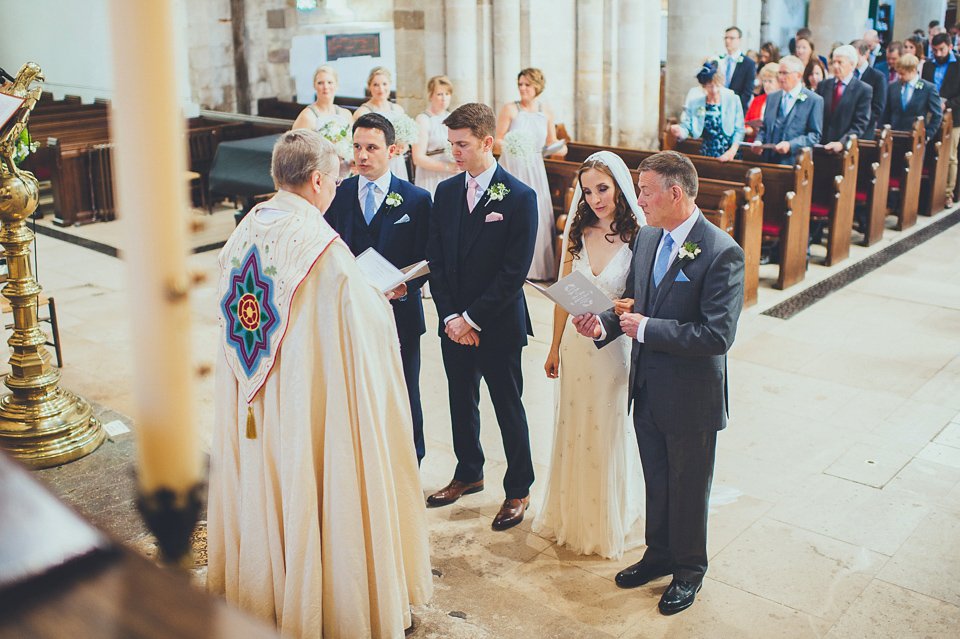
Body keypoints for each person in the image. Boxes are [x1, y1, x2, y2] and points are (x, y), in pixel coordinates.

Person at [207, 129, 433, 639]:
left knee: (272, 482)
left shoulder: (246, 226)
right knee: (314, 482)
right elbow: (359, 320)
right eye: (334, 178)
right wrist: (379, 294)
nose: (336, 188)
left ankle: (267, 588)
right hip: (306, 394)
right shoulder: (319, 244)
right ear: (315, 181)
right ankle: (324, 605)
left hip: (257, 398)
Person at [573, 151, 744, 615]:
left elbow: (717, 335)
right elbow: (636, 302)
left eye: (645, 190)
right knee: (658, 480)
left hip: (691, 395)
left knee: (690, 486)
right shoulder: (648, 238)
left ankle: (689, 571)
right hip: (646, 385)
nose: (639, 199)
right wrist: (603, 325)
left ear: (675, 192)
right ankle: (659, 554)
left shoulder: (721, 250)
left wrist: (647, 328)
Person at [425, 102, 538, 531]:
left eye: (462, 144)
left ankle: (518, 488)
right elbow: (437, 257)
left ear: (488, 142)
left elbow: (514, 273)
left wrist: (471, 319)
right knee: (460, 400)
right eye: (451, 143)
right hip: (454, 323)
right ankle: (468, 471)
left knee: (508, 406)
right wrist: (452, 316)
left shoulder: (519, 197)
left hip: (497, 324)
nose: (454, 152)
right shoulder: (447, 192)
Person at [534, 151, 646, 560]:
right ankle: (572, 512)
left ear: (619, 186)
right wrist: (553, 347)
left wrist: (621, 307)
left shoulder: (639, 235)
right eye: (588, 190)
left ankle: (607, 517)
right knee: (574, 422)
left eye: (603, 188)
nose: (596, 198)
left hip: (614, 347)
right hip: (575, 348)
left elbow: (641, 297)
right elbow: (564, 291)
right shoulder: (579, 228)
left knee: (607, 424)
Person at [324, 113, 432, 463]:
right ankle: (366, 462)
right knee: (358, 389)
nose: (362, 156)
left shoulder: (416, 200)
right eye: (357, 147)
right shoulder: (337, 198)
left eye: (371, 147)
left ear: (393, 150)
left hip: (400, 313)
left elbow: (429, 259)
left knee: (404, 390)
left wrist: (405, 287)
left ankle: (410, 461)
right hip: (352, 313)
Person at [495, 68, 567, 281]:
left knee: (536, 213)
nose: (523, 88)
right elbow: (497, 140)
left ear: (537, 86)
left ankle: (536, 270)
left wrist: (559, 147)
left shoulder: (547, 110)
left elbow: (550, 140)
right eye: (520, 84)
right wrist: (512, 145)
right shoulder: (510, 108)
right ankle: (506, 267)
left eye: (527, 84)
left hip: (535, 166)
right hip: (512, 165)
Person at [752, 55, 824, 165]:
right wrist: (758, 141)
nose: (781, 77)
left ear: (799, 75)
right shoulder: (772, 97)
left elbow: (814, 136)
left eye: (785, 73)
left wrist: (790, 145)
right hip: (769, 160)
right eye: (779, 73)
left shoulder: (813, 100)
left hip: (794, 161)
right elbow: (765, 128)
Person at [669, 63, 745, 161]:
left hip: (730, 152)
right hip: (707, 152)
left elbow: (739, 129)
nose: (714, 90)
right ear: (704, 86)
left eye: (717, 85)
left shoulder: (733, 100)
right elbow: (687, 127)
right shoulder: (695, 103)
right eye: (710, 86)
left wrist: (732, 151)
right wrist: (679, 131)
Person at [354, 67, 409, 181]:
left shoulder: (398, 110)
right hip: (375, 162)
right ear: (369, 87)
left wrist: (403, 146)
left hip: (397, 162)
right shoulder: (363, 112)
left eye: (384, 84)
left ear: (390, 84)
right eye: (376, 85)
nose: (381, 89)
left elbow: (406, 138)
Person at [923, 33, 960, 204]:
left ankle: (947, 193)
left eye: (942, 50)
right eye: (934, 50)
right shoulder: (928, 65)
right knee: (930, 151)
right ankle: (929, 189)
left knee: (950, 155)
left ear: (950, 47)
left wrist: (947, 105)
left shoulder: (958, 65)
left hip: (954, 116)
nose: (938, 54)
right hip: (931, 115)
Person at [817, 45, 873, 152]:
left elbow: (860, 123)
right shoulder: (823, 86)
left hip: (845, 148)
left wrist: (842, 143)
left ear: (852, 64)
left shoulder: (863, 90)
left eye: (840, 62)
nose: (836, 66)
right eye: (834, 62)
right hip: (821, 145)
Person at [413, 75, 459, 197]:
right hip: (430, 176)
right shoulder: (423, 119)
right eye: (439, 94)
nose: (444, 99)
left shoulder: (453, 118)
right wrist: (448, 167)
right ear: (430, 95)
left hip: (451, 175)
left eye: (447, 94)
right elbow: (417, 158)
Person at [882, 53, 943, 143]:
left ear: (913, 71)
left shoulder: (928, 88)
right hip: (893, 136)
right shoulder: (892, 87)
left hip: (916, 138)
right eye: (898, 73)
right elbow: (886, 112)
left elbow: (937, 114)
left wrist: (927, 135)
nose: (899, 77)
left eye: (903, 74)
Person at [291, 65, 352, 132]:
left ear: (336, 85)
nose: (325, 87)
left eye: (330, 82)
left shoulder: (346, 114)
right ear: (314, 86)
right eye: (320, 83)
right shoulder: (307, 116)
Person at [853, 40, 888, 138]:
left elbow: (878, 108)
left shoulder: (877, 77)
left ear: (866, 54)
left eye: (856, 56)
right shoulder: (849, 75)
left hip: (865, 129)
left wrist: (861, 120)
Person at [720, 26, 757, 112]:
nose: (727, 41)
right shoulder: (720, 60)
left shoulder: (749, 63)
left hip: (737, 108)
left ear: (740, 40)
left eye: (732, 38)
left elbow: (747, 91)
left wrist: (735, 108)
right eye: (726, 38)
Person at [745, 62, 780, 139]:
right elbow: (746, 123)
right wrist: (751, 131)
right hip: (755, 142)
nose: (766, 85)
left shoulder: (782, 101)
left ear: (779, 82)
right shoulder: (757, 100)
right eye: (764, 81)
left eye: (770, 81)